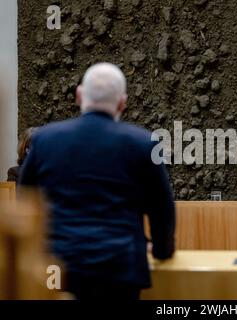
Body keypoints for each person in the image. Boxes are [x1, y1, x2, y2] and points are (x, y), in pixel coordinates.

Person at [19, 62, 176, 300]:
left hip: (58, 265)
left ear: (79, 95)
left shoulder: (44, 140)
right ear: (122, 102)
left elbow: (26, 201)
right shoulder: (144, 143)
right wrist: (163, 251)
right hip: (118, 268)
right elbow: (161, 208)